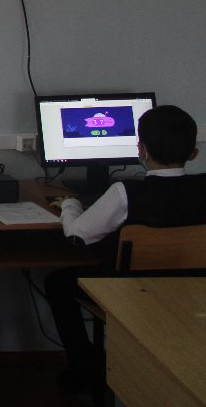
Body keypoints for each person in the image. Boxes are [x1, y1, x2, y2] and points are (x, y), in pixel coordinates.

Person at [45, 104, 206, 389]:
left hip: (130, 289)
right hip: (192, 289)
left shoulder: (126, 192)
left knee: (57, 282)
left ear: (141, 150)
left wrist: (69, 205)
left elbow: (78, 236)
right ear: (194, 153)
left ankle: (84, 369)